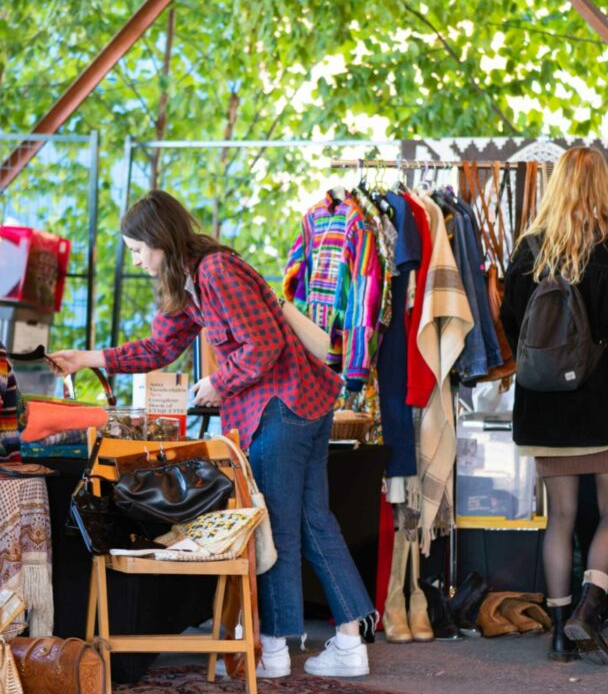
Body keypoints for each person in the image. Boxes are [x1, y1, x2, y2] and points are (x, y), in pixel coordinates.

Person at [50, 190, 375, 679]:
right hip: (301, 404)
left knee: (277, 529)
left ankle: (275, 652)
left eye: (138, 249)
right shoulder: (194, 279)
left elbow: (262, 345)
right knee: (313, 521)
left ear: (159, 240)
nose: (136, 260)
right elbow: (159, 347)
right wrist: (86, 359)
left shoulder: (215, 272)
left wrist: (216, 384)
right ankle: (349, 643)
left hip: (279, 408)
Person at [500, 146, 608, 666]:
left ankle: (560, 634)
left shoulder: (526, 254)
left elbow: (513, 331)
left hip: (544, 411)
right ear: (602, 189)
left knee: (559, 517)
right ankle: (591, 605)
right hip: (603, 411)